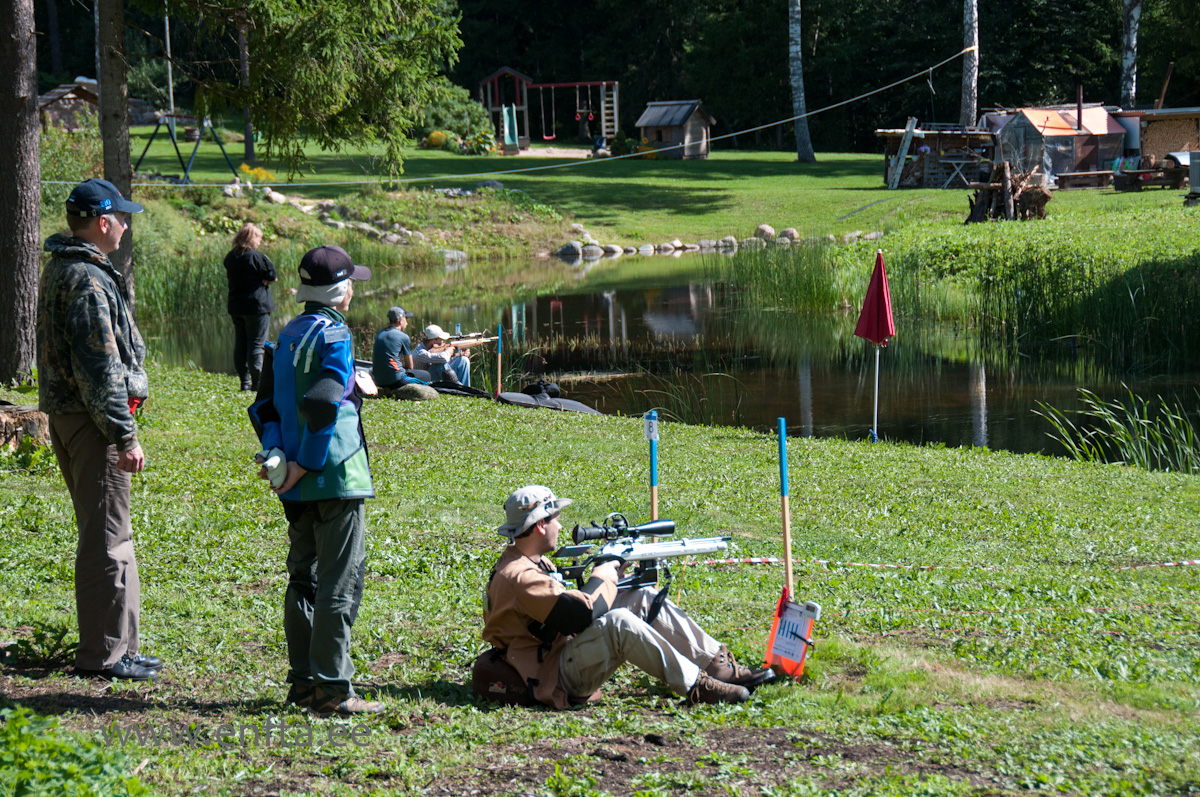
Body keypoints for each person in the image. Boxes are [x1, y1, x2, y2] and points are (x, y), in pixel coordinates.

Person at [481, 485, 774, 708]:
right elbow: (579, 614)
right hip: (551, 675)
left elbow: (565, 608)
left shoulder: (528, 561)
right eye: (556, 517)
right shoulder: (519, 575)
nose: (559, 524)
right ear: (541, 524)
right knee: (620, 622)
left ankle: (717, 665)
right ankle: (698, 686)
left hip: (558, 651)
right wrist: (603, 575)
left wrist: (610, 578)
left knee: (640, 596)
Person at [248, 245, 384, 717]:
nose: (353, 290)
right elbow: (324, 402)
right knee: (339, 582)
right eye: (351, 283)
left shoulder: (286, 333)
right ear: (340, 290)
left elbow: (263, 406)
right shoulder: (336, 334)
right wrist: (306, 460)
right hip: (336, 474)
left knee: (301, 578)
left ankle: (303, 683)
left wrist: (277, 455)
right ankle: (333, 688)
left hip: (293, 481)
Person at [36, 178, 162, 681]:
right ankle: (107, 655)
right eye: (122, 219)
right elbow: (100, 368)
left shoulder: (66, 266)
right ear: (103, 223)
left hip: (75, 418)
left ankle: (120, 648)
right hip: (93, 424)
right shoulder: (86, 280)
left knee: (108, 534)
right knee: (109, 540)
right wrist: (123, 435)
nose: (127, 226)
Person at [223, 223, 277, 391]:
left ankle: (244, 382)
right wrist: (267, 279)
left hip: (237, 306)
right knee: (257, 345)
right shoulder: (255, 257)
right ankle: (258, 384)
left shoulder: (230, 257)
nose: (260, 243)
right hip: (257, 307)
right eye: (259, 239)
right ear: (252, 239)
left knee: (241, 344)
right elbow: (272, 275)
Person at [371, 306, 432, 392]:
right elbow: (410, 366)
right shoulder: (403, 337)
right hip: (395, 379)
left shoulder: (380, 333)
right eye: (406, 319)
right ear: (400, 320)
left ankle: (388, 388)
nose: (407, 323)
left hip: (378, 380)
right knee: (426, 375)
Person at [412, 324, 488, 386]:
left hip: (436, 375)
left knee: (463, 360)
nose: (443, 341)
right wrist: (448, 350)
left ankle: (465, 389)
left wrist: (460, 354)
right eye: (441, 339)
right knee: (439, 364)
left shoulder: (431, 348)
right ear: (433, 341)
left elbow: (443, 359)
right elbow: (443, 359)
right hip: (425, 382)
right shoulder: (419, 353)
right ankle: (459, 386)